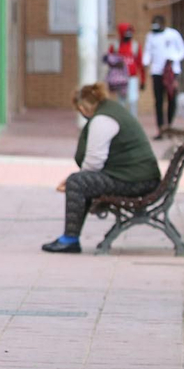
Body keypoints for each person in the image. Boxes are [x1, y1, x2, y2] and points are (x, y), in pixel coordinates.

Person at [42, 84, 162, 253]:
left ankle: (70, 239)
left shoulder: (102, 120)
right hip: (141, 178)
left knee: (77, 182)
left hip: (137, 181)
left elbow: (94, 162)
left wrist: (72, 180)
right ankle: (70, 238)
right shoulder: (112, 110)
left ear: (82, 108)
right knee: (80, 181)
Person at [144, 15, 184, 133]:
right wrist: (146, 63)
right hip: (157, 71)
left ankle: (169, 124)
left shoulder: (173, 34)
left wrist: (173, 58)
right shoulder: (150, 36)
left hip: (171, 72)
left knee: (171, 98)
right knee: (158, 100)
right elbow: (147, 52)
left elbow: (183, 51)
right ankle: (160, 127)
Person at [113, 22, 144, 111]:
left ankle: (133, 119)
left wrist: (143, 80)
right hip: (120, 77)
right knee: (121, 101)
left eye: (130, 32)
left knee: (133, 100)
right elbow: (109, 59)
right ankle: (121, 119)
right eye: (126, 31)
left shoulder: (135, 45)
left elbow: (140, 64)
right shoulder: (116, 46)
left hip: (132, 77)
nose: (128, 34)